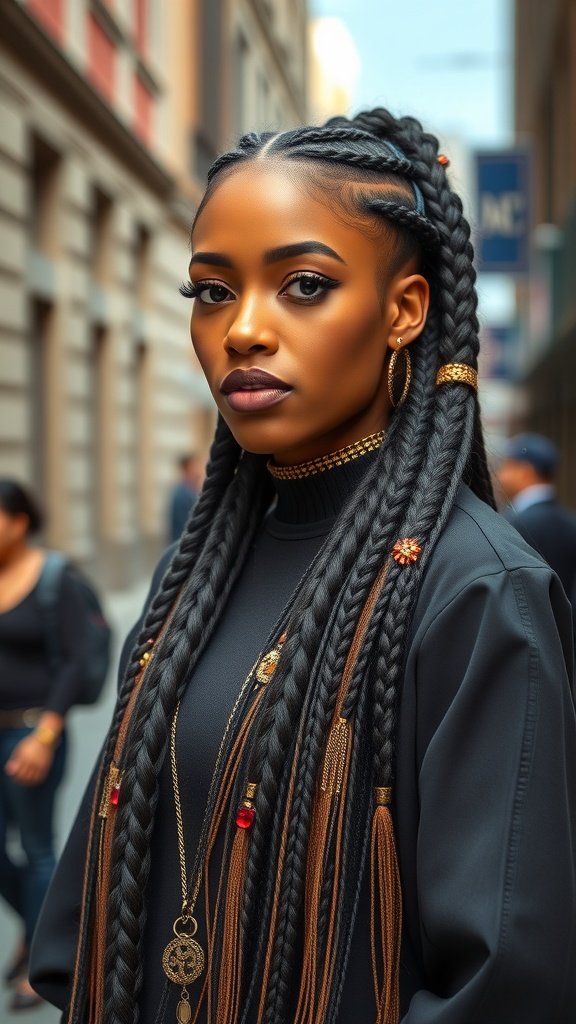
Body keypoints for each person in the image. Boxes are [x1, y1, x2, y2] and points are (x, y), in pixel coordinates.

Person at [30, 110, 576, 1024]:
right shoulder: (191, 580)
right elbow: (83, 926)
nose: (243, 330)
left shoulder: (478, 593)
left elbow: (506, 988)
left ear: (403, 310)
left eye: (305, 285)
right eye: (210, 292)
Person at [0, 480, 87, 1011]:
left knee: (36, 849)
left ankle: (41, 961)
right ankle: (34, 933)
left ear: (19, 522)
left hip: (34, 732)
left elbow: (76, 661)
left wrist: (46, 734)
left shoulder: (55, 578)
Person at [497, 432, 576, 609]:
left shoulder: (511, 525)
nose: (501, 474)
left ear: (525, 472)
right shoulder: (570, 523)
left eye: (508, 466)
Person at [168, 454, 203, 543]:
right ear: (188, 468)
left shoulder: (190, 490)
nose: (199, 469)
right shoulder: (182, 494)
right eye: (195, 466)